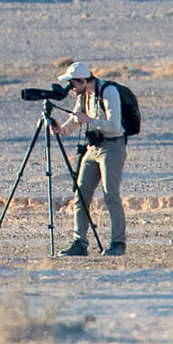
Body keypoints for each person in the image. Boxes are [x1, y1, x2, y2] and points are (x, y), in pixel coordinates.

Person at [48, 60, 126, 256]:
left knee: (110, 195)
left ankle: (118, 243)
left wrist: (90, 121)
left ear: (83, 80)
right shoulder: (84, 95)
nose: (71, 88)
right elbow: (76, 119)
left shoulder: (108, 92)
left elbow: (115, 126)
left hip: (112, 147)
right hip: (92, 147)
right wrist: (61, 130)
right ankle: (79, 243)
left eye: (73, 83)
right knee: (81, 195)